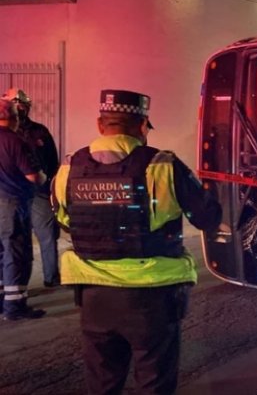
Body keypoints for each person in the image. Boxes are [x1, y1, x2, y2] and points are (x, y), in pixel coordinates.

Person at [51, 89, 223, 394]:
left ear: (100, 123)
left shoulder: (68, 168)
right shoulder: (163, 165)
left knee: (102, 382)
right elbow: (207, 218)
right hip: (152, 295)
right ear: (142, 125)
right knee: (154, 381)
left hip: (94, 295)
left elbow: (65, 221)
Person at [2, 88, 61, 287]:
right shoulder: (7, 136)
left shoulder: (40, 131)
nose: (20, 108)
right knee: (14, 241)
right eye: (15, 105)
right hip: (12, 195)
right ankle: (13, 286)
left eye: (23, 104)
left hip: (38, 193)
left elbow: (53, 161)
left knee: (47, 236)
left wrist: (51, 187)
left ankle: (51, 278)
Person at [0, 99, 47, 321]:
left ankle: (3, 301)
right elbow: (34, 176)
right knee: (16, 252)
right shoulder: (16, 141)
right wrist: (45, 176)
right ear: (14, 117)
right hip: (13, 203)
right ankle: (15, 306)